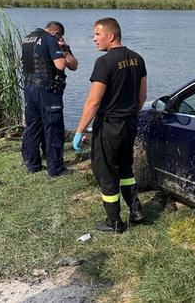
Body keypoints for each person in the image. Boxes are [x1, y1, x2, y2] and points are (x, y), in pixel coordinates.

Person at [74, 17, 147, 233]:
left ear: (110, 36)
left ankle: (114, 221)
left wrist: (79, 131)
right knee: (125, 167)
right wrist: (130, 115)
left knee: (106, 172)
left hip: (109, 126)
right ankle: (136, 210)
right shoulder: (138, 59)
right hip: (129, 124)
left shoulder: (104, 63)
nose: (94, 39)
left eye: (97, 34)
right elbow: (142, 96)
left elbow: (94, 101)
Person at [21, 21, 78, 177]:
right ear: (56, 34)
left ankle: (32, 164)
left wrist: (64, 50)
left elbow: (74, 65)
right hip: (47, 89)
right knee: (53, 127)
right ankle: (56, 168)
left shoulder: (28, 38)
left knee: (33, 126)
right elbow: (61, 65)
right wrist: (62, 51)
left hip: (29, 87)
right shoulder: (50, 39)